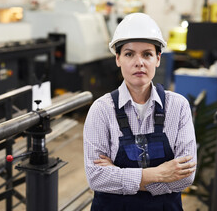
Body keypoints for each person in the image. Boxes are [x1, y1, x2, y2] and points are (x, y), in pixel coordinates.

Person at [83, 13, 197, 211]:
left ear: (158, 59)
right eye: (129, 54)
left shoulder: (178, 107)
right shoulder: (101, 110)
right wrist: (158, 174)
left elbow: (185, 177)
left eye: (147, 54)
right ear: (118, 59)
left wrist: (119, 176)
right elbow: (96, 177)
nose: (139, 62)